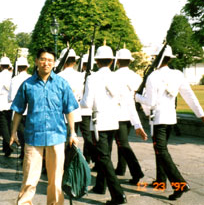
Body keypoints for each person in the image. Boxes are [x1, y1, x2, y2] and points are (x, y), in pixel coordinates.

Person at [10, 47, 79, 205]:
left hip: (57, 136)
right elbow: (18, 110)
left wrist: (73, 133)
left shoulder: (62, 84)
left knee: (55, 180)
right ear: (36, 61)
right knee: (29, 179)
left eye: (49, 60)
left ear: (54, 64)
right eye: (42, 59)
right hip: (33, 136)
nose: (46, 63)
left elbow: (69, 109)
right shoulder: (27, 85)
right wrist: (13, 133)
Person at [135, 45, 204, 201]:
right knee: (161, 150)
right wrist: (201, 114)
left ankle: (179, 184)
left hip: (158, 119)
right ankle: (160, 181)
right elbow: (189, 95)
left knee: (161, 151)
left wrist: (137, 97)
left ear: (155, 58)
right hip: (171, 119)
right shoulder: (177, 74)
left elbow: (150, 102)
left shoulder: (153, 76)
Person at [80, 43, 127, 205]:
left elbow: (86, 103)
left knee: (104, 157)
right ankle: (100, 186)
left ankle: (118, 194)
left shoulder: (92, 78)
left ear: (97, 61)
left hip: (98, 122)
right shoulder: (117, 77)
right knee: (104, 156)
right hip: (113, 121)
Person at [114, 48, 147, 185]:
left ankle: (136, 172)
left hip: (119, 113)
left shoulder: (113, 76)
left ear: (117, 62)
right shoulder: (135, 76)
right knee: (122, 143)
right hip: (130, 114)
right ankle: (121, 168)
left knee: (123, 144)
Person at [8, 56, 31, 160]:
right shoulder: (31, 78)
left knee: (21, 133)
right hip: (30, 110)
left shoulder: (14, 79)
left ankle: (23, 151)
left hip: (19, 110)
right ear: (27, 67)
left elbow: (11, 97)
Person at [0, 56, 13, 156]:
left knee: (4, 126)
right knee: (9, 125)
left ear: (1, 66)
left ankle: (8, 145)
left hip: (2, 104)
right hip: (11, 104)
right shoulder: (12, 75)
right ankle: (5, 147)